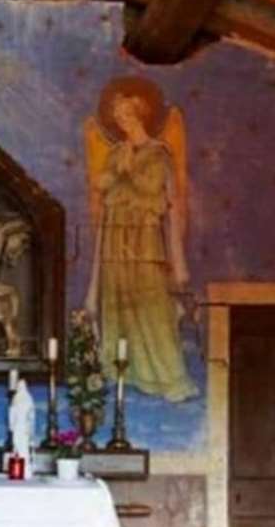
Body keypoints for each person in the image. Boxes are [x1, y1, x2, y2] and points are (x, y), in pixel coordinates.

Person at [84, 75, 197, 402]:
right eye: (117, 117)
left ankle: (167, 376)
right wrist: (118, 169)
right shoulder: (116, 152)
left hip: (145, 242)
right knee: (117, 304)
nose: (121, 121)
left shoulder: (158, 153)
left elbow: (151, 188)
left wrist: (128, 168)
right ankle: (122, 371)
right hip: (115, 239)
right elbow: (102, 184)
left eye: (126, 115)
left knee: (152, 305)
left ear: (140, 116)